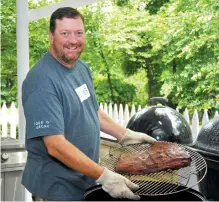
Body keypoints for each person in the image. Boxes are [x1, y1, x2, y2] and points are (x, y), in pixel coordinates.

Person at [21, 7, 156, 201]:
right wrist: (104, 175)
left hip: (84, 179)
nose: (73, 40)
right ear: (51, 36)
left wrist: (124, 135)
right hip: (56, 188)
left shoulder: (81, 68)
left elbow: (91, 110)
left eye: (79, 33)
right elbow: (55, 146)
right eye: (65, 33)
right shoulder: (41, 81)